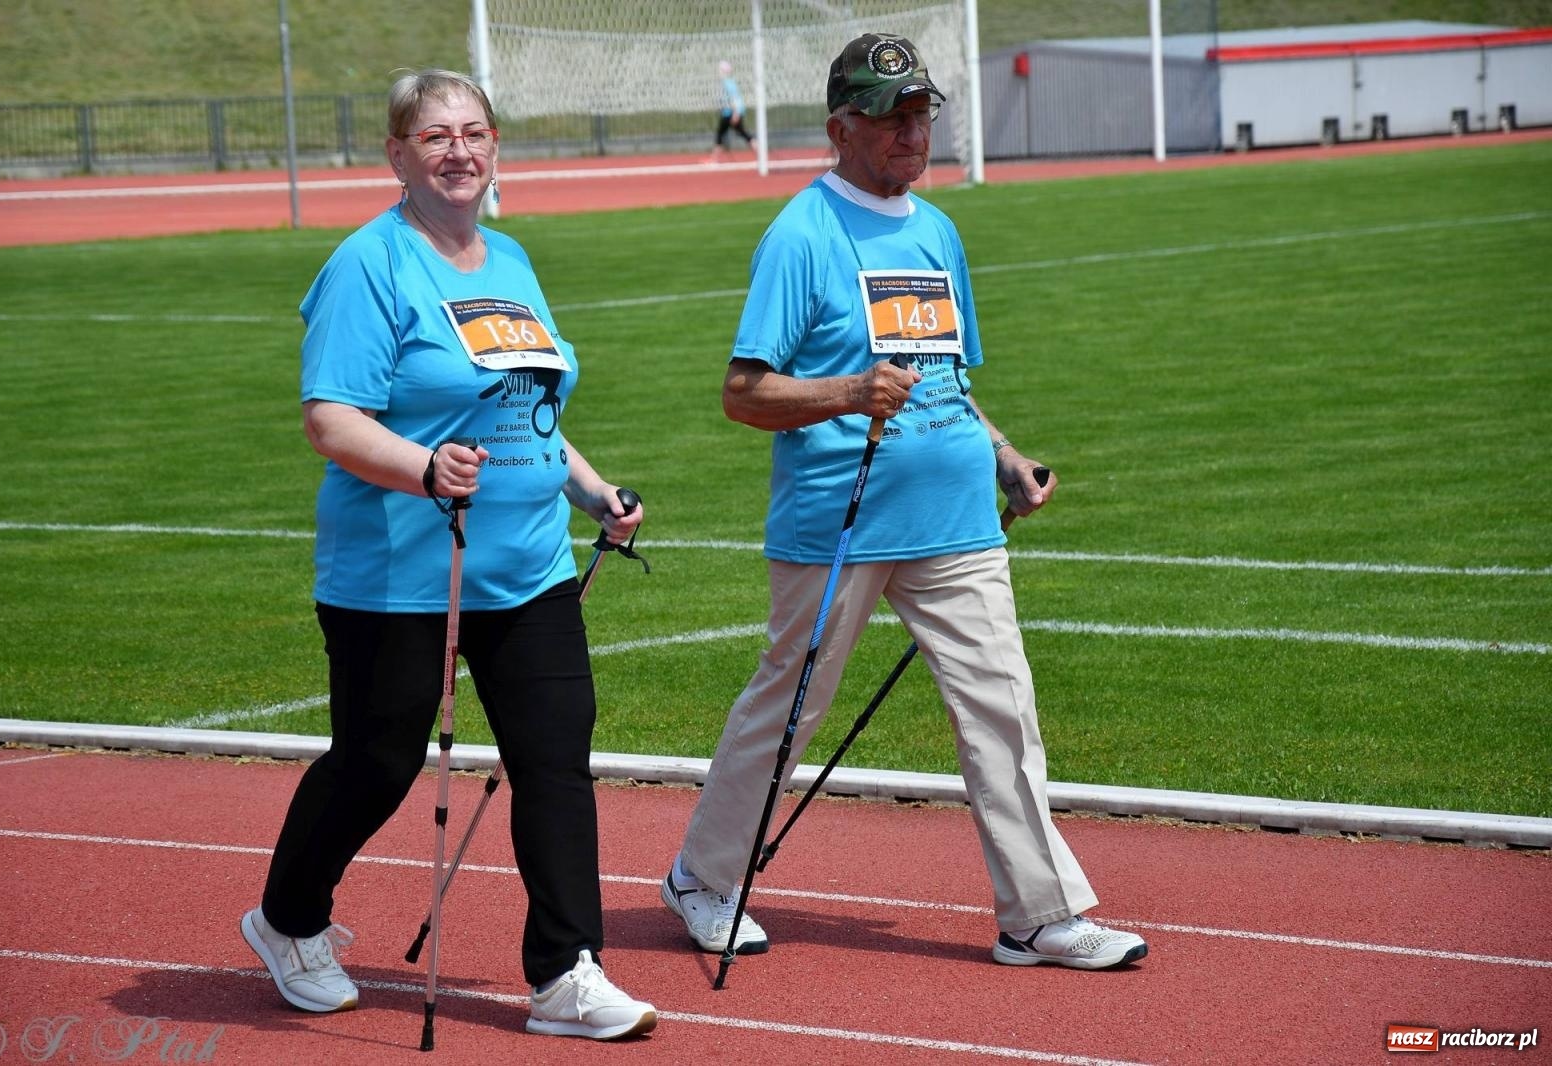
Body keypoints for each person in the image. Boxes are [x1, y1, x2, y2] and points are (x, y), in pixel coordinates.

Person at [660, 34, 1149, 972]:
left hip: (955, 517)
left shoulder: (936, 230)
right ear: (842, 127)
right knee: (790, 706)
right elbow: (743, 392)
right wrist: (846, 392)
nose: (910, 132)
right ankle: (703, 878)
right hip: (836, 524)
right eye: (890, 117)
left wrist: (1004, 454)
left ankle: (1037, 915)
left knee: (1002, 709)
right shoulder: (801, 234)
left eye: (921, 114)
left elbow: (946, 379)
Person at [239, 68, 657, 1041]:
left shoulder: (509, 258)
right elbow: (331, 420)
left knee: (555, 761)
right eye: (435, 137)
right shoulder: (368, 265)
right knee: (376, 763)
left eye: (474, 132)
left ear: (496, 146)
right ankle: (288, 920)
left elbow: (528, 408)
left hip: (530, 568)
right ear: (397, 155)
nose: (459, 151)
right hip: (397, 576)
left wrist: (591, 490)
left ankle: (566, 974)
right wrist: (424, 466)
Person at [709, 59, 756, 163]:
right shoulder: (726, 83)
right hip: (729, 112)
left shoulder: (728, 83)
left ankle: (714, 160)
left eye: (720, 70)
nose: (718, 72)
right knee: (741, 134)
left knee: (721, 135)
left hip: (730, 113)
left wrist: (736, 114)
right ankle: (760, 153)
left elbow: (735, 99)